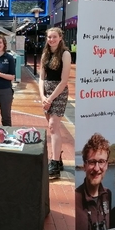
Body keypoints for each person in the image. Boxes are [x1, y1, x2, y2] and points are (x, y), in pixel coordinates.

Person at [38, 27, 71, 178]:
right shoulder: (45, 54)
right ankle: (58, 158)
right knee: (52, 128)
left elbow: (64, 81)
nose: (51, 39)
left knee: (53, 126)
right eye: (49, 37)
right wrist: (43, 97)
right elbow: (41, 78)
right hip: (46, 93)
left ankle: (54, 162)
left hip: (59, 93)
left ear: (60, 38)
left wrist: (50, 99)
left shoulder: (65, 54)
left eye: (54, 37)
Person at [75, 133, 112, 230]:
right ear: (84, 165)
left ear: (107, 165)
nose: (96, 168)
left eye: (101, 162)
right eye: (92, 162)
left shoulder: (108, 195)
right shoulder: (75, 199)